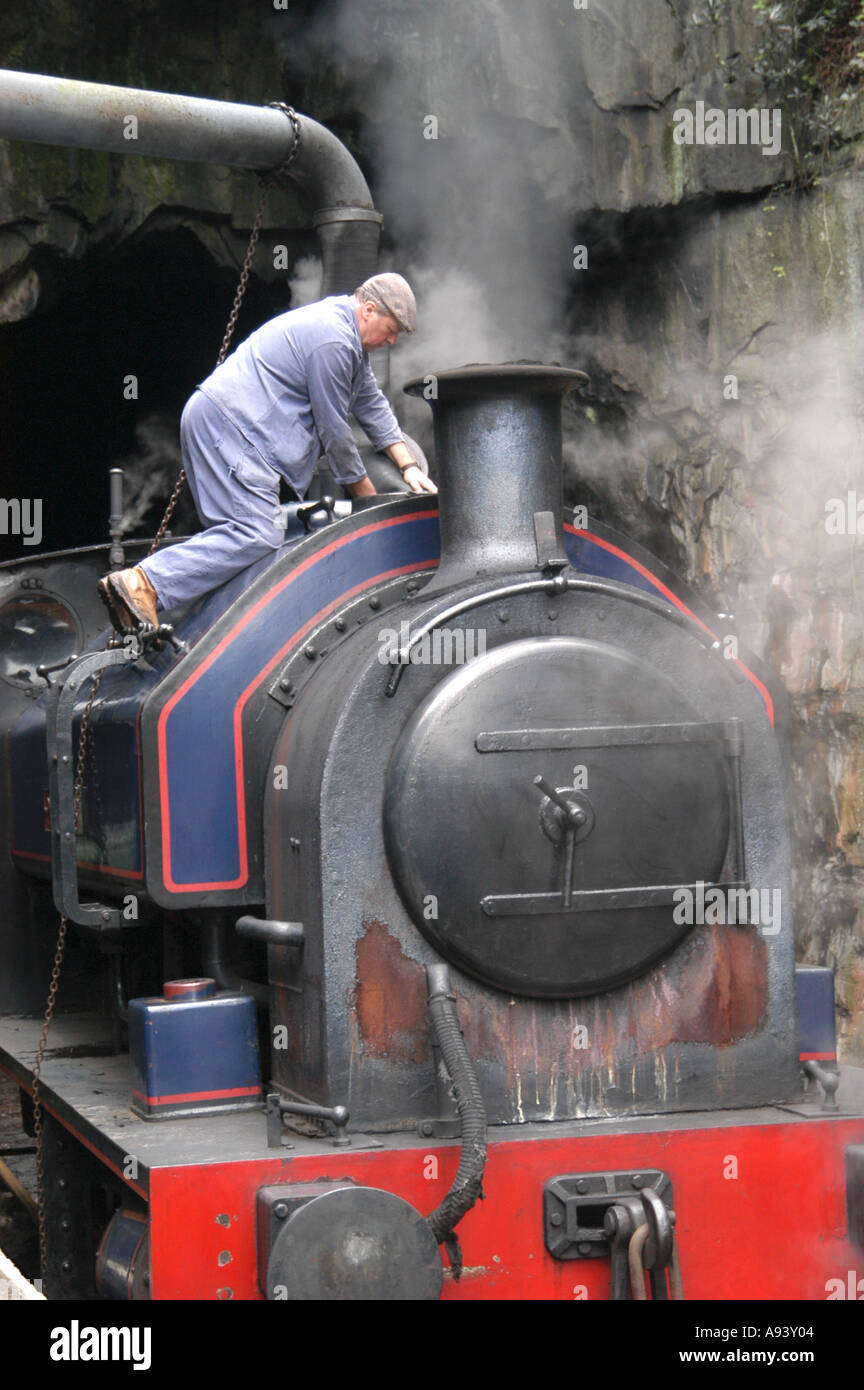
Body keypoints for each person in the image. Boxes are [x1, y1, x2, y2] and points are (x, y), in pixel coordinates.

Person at [99, 273, 436, 632]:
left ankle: (167, 614)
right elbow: (334, 430)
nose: (392, 340)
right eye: (392, 329)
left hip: (219, 419)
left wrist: (409, 465)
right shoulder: (333, 340)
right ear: (369, 310)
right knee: (256, 533)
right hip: (233, 428)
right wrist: (369, 502)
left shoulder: (345, 339)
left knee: (234, 540)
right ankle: (143, 583)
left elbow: (371, 403)